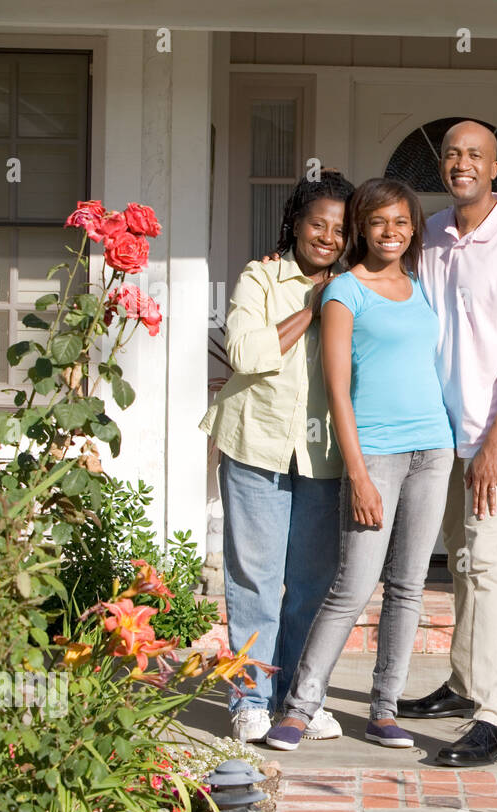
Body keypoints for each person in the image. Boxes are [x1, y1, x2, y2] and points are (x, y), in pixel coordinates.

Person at [265, 178, 455, 751]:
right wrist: (359, 474)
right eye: (378, 222)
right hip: (374, 453)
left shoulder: (423, 288)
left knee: (408, 587)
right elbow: (338, 390)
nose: (390, 232)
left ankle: (384, 710)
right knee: (352, 585)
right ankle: (298, 708)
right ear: (362, 229)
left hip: (433, 449)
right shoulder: (345, 292)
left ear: (413, 228)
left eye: (401, 222)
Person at [395, 120, 497, 767]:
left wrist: (494, 442)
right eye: (454, 154)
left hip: (494, 440)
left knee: (489, 570)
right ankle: (464, 685)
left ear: (496, 168)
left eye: (476, 156)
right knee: (460, 566)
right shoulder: (430, 234)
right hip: (442, 435)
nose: (463, 163)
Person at [200, 170, 354, 743]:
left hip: (324, 453)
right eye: (318, 224)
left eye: (340, 229)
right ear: (295, 223)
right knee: (254, 580)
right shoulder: (261, 276)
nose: (328, 237)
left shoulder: (356, 285)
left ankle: (298, 702)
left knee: (312, 586)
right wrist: (314, 307)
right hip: (256, 443)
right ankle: (249, 699)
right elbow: (243, 351)